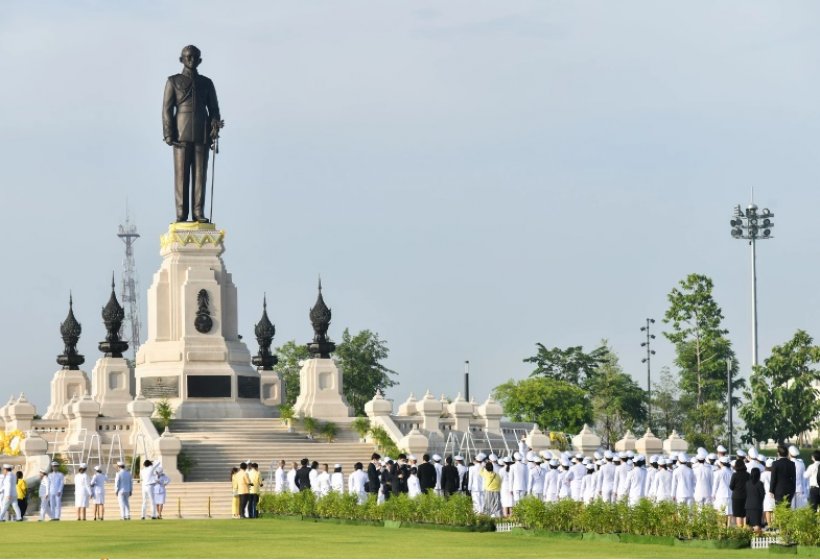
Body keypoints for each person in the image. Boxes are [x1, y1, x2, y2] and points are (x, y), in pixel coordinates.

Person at [162, 45, 223, 223]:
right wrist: (168, 134)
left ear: (200, 60)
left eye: (195, 57)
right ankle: (181, 213)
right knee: (181, 175)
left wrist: (215, 124)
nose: (191, 60)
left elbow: (214, 109)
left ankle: (198, 212)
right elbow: (167, 109)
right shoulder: (173, 81)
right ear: (181, 59)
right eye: (187, 57)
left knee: (200, 175)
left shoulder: (207, 83)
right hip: (180, 133)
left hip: (202, 132)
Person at [745, 466, 766, 535]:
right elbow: (762, 494)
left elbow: (745, 494)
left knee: (749, 524)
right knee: (757, 524)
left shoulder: (747, 483)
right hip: (757, 506)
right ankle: (757, 537)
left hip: (748, 506)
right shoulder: (760, 484)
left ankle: (748, 538)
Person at [729, 459, 749, 527]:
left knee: (738, 515)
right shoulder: (748, 475)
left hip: (736, 497)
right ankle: (746, 530)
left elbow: (731, 487)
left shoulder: (735, 475)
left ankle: (740, 531)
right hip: (746, 497)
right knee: (745, 514)